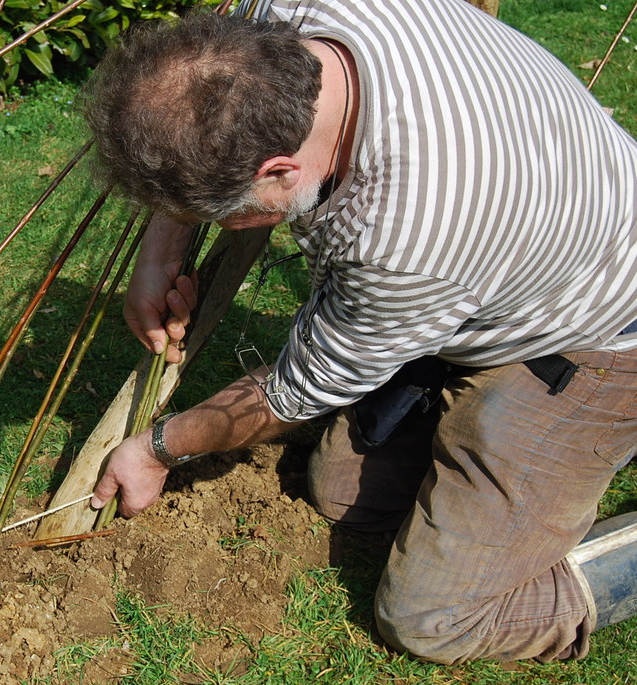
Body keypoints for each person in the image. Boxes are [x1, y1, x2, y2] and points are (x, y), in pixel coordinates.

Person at [82, 0, 637, 665]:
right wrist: (160, 251)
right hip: (510, 262)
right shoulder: (285, 16)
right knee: (342, 494)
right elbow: (188, 94)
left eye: (224, 214)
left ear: (278, 171)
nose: (224, 225)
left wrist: (158, 448)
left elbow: (290, 393)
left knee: (429, 617)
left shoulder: (408, 230)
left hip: (595, 331)